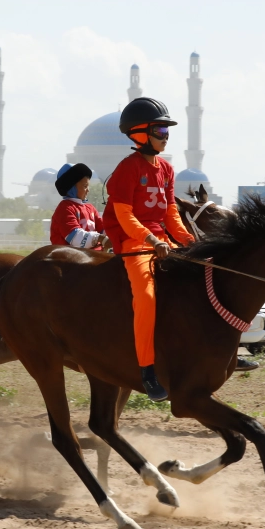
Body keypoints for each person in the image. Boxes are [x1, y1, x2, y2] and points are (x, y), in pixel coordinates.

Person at [101, 97, 195, 401]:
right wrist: (151, 241)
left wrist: (191, 241)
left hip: (162, 242)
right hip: (134, 244)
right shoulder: (127, 169)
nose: (166, 137)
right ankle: (147, 370)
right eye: (160, 131)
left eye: (167, 132)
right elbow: (124, 215)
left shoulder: (167, 169)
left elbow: (171, 214)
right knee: (146, 296)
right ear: (140, 133)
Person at [50, 163, 108, 249]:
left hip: (90, 257)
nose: (88, 190)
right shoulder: (64, 208)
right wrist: (100, 238)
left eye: (88, 186)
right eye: (85, 186)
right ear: (72, 188)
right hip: (68, 258)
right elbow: (76, 238)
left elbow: (104, 229)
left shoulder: (90, 208)